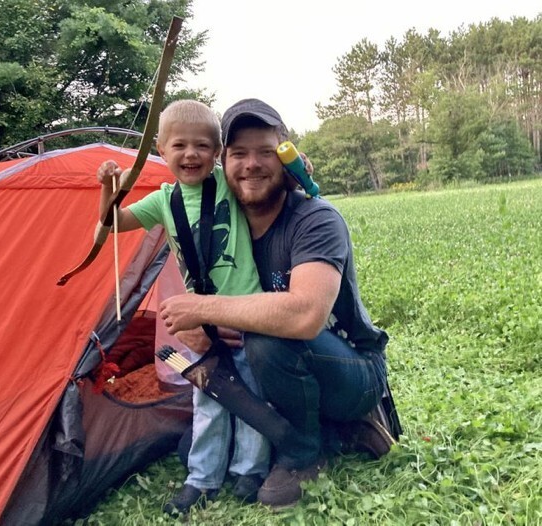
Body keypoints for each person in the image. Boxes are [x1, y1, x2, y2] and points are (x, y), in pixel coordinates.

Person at [159, 98, 397, 509]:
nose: (252, 164)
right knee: (189, 449)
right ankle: (334, 431)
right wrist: (204, 332)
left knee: (267, 340)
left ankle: (306, 452)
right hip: (270, 365)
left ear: (286, 157)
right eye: (239, 153)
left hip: (350, 368)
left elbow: (304, 316)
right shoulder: (218, 221)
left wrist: (202, 310)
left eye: (266, 151)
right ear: (222, 162)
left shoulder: (315, 219)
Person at [96, 100, 270, 515]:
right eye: (179, 145)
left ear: (218, 152)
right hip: (201, 322)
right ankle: (203, 477)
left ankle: (251, 468)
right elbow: (111, 224)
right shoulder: (162, 201)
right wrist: (108, 185)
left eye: (202, 146)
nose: (191, 154)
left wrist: (295, 166)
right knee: (208, 399)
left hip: (246, 312)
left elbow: (264, 180)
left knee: (252, 395)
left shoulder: (230, 185)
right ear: (160, 148)